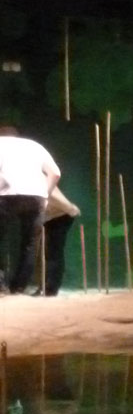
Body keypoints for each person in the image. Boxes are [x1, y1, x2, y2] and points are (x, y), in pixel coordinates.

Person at [0, 126, 60, 294]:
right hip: (35, 197)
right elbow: (55, 173)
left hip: (4, 196)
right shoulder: (34, 146)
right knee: (30, 244)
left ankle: (0, 287)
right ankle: (18, 288)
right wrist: (46, 195)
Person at [33, 185, 78, 296]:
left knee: (53, 252)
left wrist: (71, 209)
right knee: (46, 253)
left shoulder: (39, 178)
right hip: (51, 216)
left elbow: (51, 193)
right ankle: (45, 287)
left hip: (59, 216)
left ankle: (50, 289)